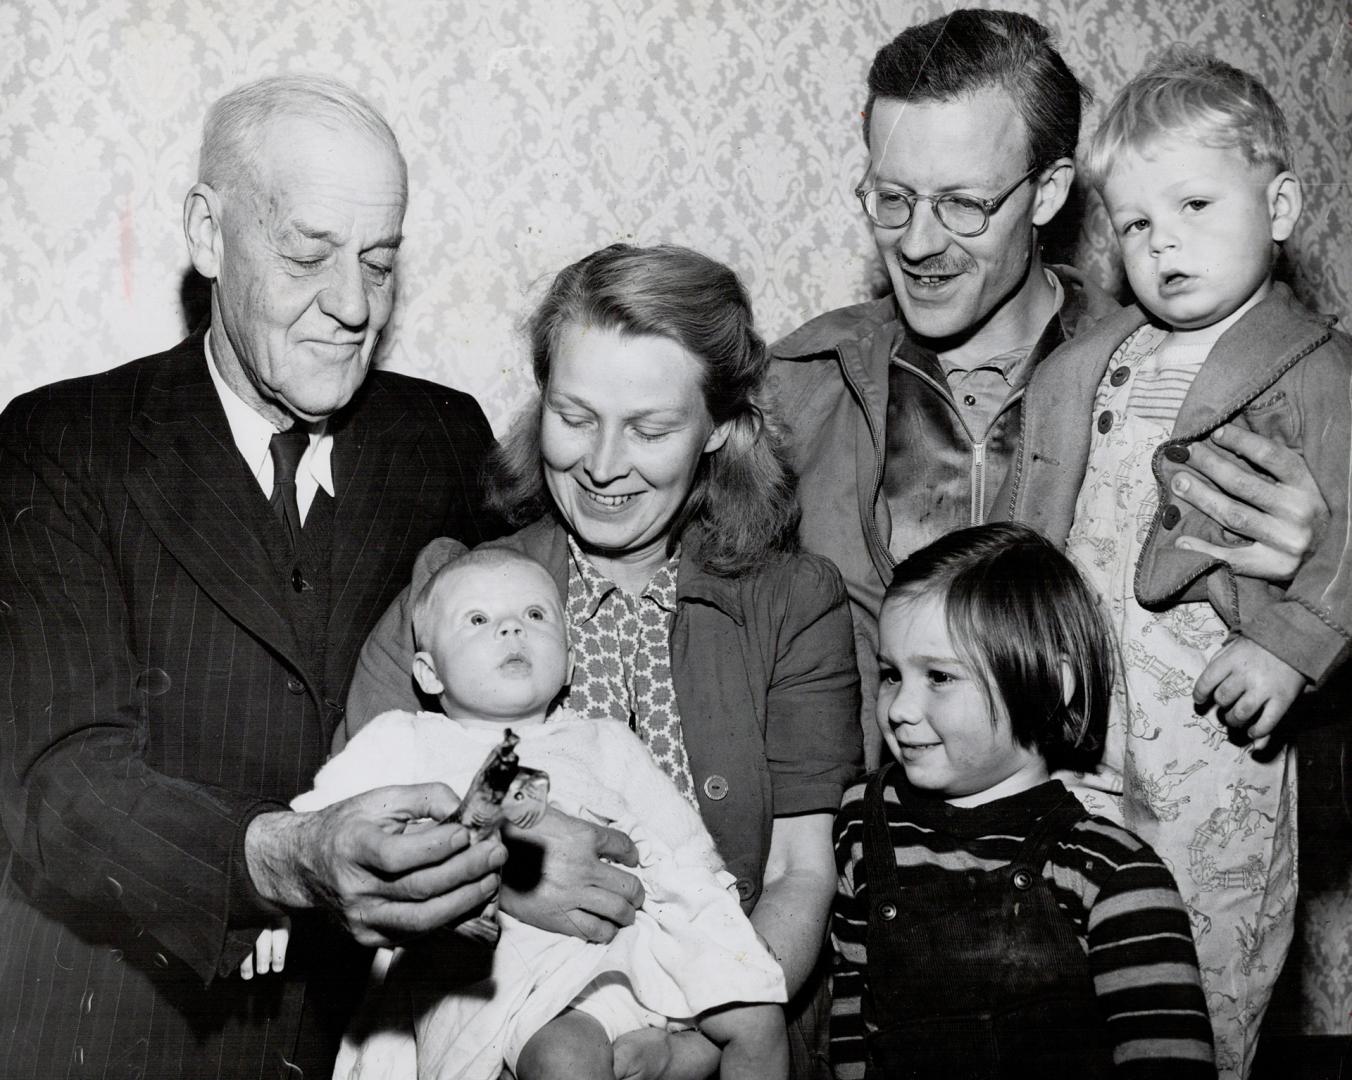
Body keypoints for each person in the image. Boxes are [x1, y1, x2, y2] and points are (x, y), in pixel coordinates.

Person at [0, 75, 518, 1079]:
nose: (354, 306)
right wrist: (290, 856)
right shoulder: (58, 444)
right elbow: (59, 788)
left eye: (380, 261)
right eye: (306, 255)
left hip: (383, 1038)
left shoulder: (445, 438)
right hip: (125, 1036)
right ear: (208, 230)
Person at [347, 243, 863, 1079]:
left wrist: (695, 1044)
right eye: (574, 415)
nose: (601, 464)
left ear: (723, 428)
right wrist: (508, 880)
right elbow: (360, 844)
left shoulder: (795, 603)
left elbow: (799, 873)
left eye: (650, 428)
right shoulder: (453, 597)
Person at [770, 9, 1329, 767]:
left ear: (1047, 193)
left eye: (964, 204)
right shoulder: (796, 385)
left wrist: (1310, 572)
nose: (918, 242)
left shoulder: (1191, 380)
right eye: (892, 198)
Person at [997, 50, 1352, 1078]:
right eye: (1138, 224)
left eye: (1195, 205)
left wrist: (1289, 648)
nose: (1165, 245)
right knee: (1083, 929)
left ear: (1278, 204)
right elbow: (1037, 507)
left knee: (1214, 934)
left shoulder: (1313, 366)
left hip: (1215, 707)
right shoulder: (1090, 360)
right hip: (1083, 700)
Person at [256, 548, 789, 1080]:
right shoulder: (407, 738)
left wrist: (724, 926)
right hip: (495, 975)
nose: (513, 630)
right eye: (480, 619)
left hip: (627, 946)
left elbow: (681, 843)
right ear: (430, 672)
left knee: (759, 1016)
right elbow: (322, 828)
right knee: (566, 1058)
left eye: (535, 616)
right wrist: (279, 903)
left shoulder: (606, 741)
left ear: (570, 664)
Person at [831, 522, 1215, 1079]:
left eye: (939, 676)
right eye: (892, 675)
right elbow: (851, 1019)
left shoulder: (1112, 873)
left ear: (1048, 685)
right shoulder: (864, 823)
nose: (899, 709)